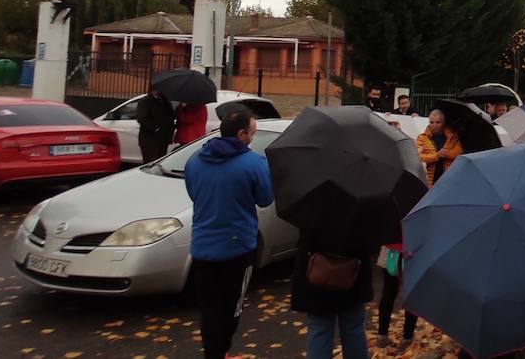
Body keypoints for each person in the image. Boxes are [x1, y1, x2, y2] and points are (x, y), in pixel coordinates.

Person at [183, 112, 273, 359]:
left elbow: (193, 192)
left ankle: (213, 353)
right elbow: (265, 199)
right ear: (241, 134)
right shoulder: (253, 163)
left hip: (202, 246)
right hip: (238, 247)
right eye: (252, 133)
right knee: (231, 307)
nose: (252, 138)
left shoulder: (195, 160)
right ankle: (220, 353)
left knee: (209, 308)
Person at [291, 231, 373, 359]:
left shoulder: (309, 210)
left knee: (320, 328)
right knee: (353, 327)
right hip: (352, 267)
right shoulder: (361, 210)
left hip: (316, 267)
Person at [414, 109, 461, 185]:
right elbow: (418, 157)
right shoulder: (422, 138)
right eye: (432, 122)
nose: (434, 125)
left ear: (444, 123)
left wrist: (446, 153)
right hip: (429, 180)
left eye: (438, 122)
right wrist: (437, 155)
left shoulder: (452, 137)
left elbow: (458, 153)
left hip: (448, 177)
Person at [135, 86, 176, 163]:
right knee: (150, 162)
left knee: (160, 162)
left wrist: (169, 130)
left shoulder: (165, 101)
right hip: (150, 139)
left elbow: (170, 116)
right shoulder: (145, 102)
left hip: (163, 138)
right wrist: (155, 129)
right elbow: (142, 118)